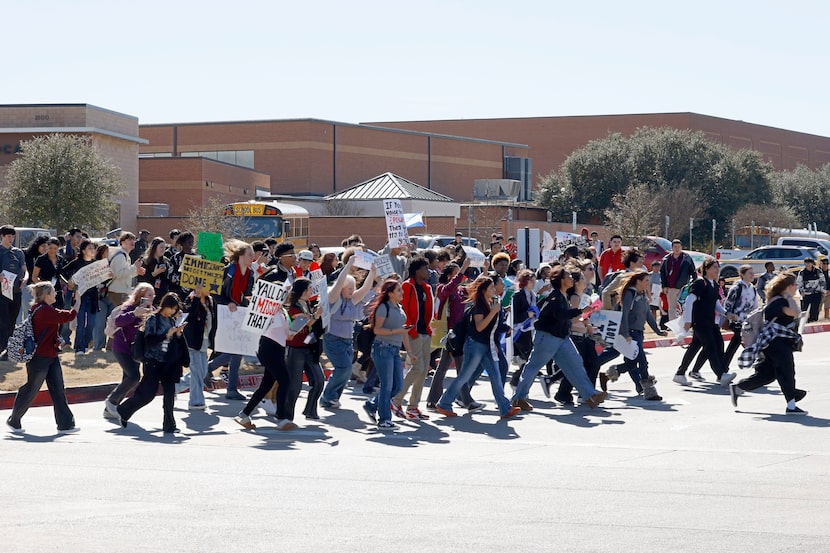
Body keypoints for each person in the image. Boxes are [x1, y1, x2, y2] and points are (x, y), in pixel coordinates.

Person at [510, 266, 608, 410]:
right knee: (533, 367)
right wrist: (580, 311)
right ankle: (518, 398)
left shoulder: (562, 296)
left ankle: (590, 395)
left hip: (561, 337)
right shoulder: (555, 297)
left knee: (576, 364)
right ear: (561, 280)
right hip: (547, 338)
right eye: (568, 276)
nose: (571, 279)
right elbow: (561, 315)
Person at [435, 275, 522, 420]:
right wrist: (494, 312)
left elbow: (492, 326)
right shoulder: (479, 306)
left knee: (495, 376)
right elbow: (480, 327)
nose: (494, 289)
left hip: (488, 345)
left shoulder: (491, 303)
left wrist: (503, 326)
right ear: (484, 291)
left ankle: (505, 407)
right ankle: (444, 402)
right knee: (465, 375)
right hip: (475, 345)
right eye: (491, 288)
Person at [234, 244, 299, 431]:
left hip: (277, 349)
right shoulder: (271, 313)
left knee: (265, 385)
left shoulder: (282, 313)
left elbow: (287, 334)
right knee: (285, 380)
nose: (288, 296)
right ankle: (281, 419)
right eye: (284, 294)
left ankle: (244, 415)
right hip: (268, 349)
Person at [6, 282, 79, 434]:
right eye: (53, 292)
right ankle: (14, 420)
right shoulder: (44, 311)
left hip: (51, 356)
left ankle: (66, 424)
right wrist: (78, 302)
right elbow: (68, 316)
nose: (56, 294)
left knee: (58, 389)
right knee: (31, 389)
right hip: (39, 358)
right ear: (46, 295)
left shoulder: (44, 309)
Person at [732, 273, 807, 415]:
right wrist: (789, 296)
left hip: (772, 343)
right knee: (787, 371)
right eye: (795, 285)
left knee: (768, 374)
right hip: (776, 343)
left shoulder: (776, 300)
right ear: (788, 286)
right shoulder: (779, 302)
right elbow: (794, 312)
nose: (797, 287)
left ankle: (738, 388)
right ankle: (791, 406)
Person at [117, 292, 189, 433]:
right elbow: (149, 341)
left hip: (168, 363)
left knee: (169, 395)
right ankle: (124, 410)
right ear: (165, 306)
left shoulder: (171, 321)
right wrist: (166, 334)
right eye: (171, 308)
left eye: (175, 309)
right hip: (153, 362)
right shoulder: (153, 319)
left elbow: (174, 342)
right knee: (147, 394)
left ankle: (169, 425)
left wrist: (178, 334)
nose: (173, 312)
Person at [320, 255, 376, 408]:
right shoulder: (333, 299)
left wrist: (372, 272)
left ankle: (333, 398)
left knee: (346, 371)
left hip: (347, 341)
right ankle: (327, 396)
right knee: (343, 368)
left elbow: (365, 290)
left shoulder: (351, 300)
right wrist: (349, 264)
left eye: (353, 288)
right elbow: (339, 282)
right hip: (333, 339)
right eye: (349, 288)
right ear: (342, 289)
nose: (352, 291)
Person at [425, 259, 482, 411]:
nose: (461, 276)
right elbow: (449, 288)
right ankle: (466, 400)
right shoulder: (442, 288)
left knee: (444, 367)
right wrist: (463, 268)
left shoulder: (461, 290)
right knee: (461, 367)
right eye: (457, 273)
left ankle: (433, 401)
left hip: (458, 332)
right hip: (450, 333)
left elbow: (475, 288)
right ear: (450, 275)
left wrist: (485, 272)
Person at [674, 257, 738, 387]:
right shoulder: (700, 283)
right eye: (714, 267)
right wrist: (688, 321)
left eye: (718, 267)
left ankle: (680, 374)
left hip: (710, 322)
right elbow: (689, 301)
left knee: (702, 346)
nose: (717, 270)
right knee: (710, 346)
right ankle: (721, 374)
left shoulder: (714, 284)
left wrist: (726, 313)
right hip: (700, 322)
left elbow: (715, 303)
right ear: (706, 269)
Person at [361, 280, 414, 429]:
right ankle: (384, 419)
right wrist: (398, 331)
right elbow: (377, 330)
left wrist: (409, 351)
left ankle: (372, 405)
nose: (402, 293)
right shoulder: (384, 308)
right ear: (390, 293)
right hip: (383, 348)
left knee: (398, 386)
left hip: (395, 350)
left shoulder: (399, 307)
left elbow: (403, 331)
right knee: (387, 386)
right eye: (398, 290)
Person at [210, 240, 256, 400]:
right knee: (236, 350)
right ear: (241, 256)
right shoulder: (227, 271)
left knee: (237, 350)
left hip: (239, 313)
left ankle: (229, 387)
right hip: (224, 313)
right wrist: (226, 302)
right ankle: (225, 383)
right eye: (250, 254)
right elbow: (214, 292)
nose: (253, 256)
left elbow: (247, 293)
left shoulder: (250, 274)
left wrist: (248, 302)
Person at [103, 283, 155, 420]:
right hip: (122, 347)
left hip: (136, 350)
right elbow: (119, 321)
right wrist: (135, 313)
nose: (152, 297)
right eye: (149, 295)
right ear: (141, 295)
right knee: (133, 377)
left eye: (153, 295)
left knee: (127, 379)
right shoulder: (129, 307)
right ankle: (111, 401)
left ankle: (109, 410)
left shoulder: (152, 310)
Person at [390, 257, 434, 420]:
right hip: (413, 333)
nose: (428, 271)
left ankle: (413, 407)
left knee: (423, 371)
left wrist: (428, 330)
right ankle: (396, 400)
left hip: (425, 332)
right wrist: (410, 329)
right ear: (417, 271)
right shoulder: (407, 286)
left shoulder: (427, 287)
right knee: (417, 368)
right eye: (425, 268)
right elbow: (404, 309)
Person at [284, 278, 325, 421]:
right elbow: (304, 322)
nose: (310, 291)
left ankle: (310, 410)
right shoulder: (293, 306)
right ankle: (287, 415)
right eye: (309, 289)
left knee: (319, 380)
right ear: (302, 290)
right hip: (296, 349)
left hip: (310, 347)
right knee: (295, 385)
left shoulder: (307, 303)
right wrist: (317, 314)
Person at [617, 271, 662, 401]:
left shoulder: (643, 295)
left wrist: (658, 331)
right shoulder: (630, 294)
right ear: (638, 281)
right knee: (642, 361)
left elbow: (648, 314)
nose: (648, 284)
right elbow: (624, 314)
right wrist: (625, 333)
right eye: (646, 281)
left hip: (639, 332)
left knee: (632, 362)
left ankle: (612, 373)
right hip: (631, 332)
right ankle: (650, 391)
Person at [60, 239, 99, 355]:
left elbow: (103, 277)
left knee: (91, 323)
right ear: (83, 251)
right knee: (80, 323)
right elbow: (62, 272)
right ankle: (79, 347)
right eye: (89, 248)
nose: (92, 251)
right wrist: (69, 283)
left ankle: (86, 343)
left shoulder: (96, 263)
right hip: (80, 295)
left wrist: (109, 275)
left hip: (93, 297)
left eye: (93, 248)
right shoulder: (76, 262)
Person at [181, 284, 215, 411]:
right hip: (192, 342)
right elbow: (190, 316)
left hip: (204, 343)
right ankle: (196, 401)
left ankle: (174, 386)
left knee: (202, 371)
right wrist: (196, 297)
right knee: (196, 372)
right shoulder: (190, 299)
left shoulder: (210, 301)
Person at [722, 265, 758, 369]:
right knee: (742, 343)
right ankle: (723, 369)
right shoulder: (737, 288)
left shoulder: (753, 289)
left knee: (735, 344)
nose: (752, 275)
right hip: (737, 322)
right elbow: (728, 305)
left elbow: (755, 307)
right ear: (742, 275)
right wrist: (729, 316)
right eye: (749, 273)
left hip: (748, 323)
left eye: (752, 273)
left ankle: (722, 367)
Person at [0, 225, 27, 360]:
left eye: (12, 236)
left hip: (16, 291)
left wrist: (25, 279)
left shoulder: (18, 252)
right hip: (2, 292)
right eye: (8, 236)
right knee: (3, 320)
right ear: (2, 236)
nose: (11, 239)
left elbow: (24, 269)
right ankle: (2, 347)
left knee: (12, 319)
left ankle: (9, 348)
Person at [660, 239, 696, 322]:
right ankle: (673, 324)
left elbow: (693, 271)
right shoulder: (667, 259)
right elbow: (662, 273)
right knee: (672, 307)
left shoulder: (687, 258)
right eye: (675, 247)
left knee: (684, 306)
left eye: (678, 247)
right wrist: (664, 286)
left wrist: (694, 283)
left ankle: (685, 322)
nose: (677, 248)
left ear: (681, 247)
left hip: (684, 287)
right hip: (671, 287)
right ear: (672, 248)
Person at [107, 231, 145, 307]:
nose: (132, 242)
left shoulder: (125, 255)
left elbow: (125, 275)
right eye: (129, 240)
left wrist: (136, 271)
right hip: (118, 293)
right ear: (122, 242)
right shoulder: (120, 256)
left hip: (121, 292)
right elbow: (120, 274)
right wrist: (134, 267)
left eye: (133, 240)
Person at [92, 243, 114, 351]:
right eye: (106, 252)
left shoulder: (112, 264)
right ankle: (98, 346)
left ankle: (110, 345)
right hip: (99, 297)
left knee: (111, 321)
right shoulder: (95, 265)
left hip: (111, 296)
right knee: (99, 322)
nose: (108, 254)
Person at [138, 237, 170, 305]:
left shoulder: (166, 261)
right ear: (154, 247)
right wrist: (154, 273)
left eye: (164, 247)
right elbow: (141, 279)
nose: (163, 249)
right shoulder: (146, 261)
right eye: (161, 247)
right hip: (149, 296)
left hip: (162, 295)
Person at [796, 258, 826, 323]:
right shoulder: (802, 272)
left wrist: (823, 291)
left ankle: (813, 321)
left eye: (809, 263)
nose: (808, 265)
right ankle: (804, 322)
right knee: (804, 309)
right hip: (806, 294)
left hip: (816, 293)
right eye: (806, 263)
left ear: (812, 263)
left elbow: (822, 281)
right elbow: (799, 282)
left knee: (815, 309)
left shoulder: (818, 271)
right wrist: (801, 291)